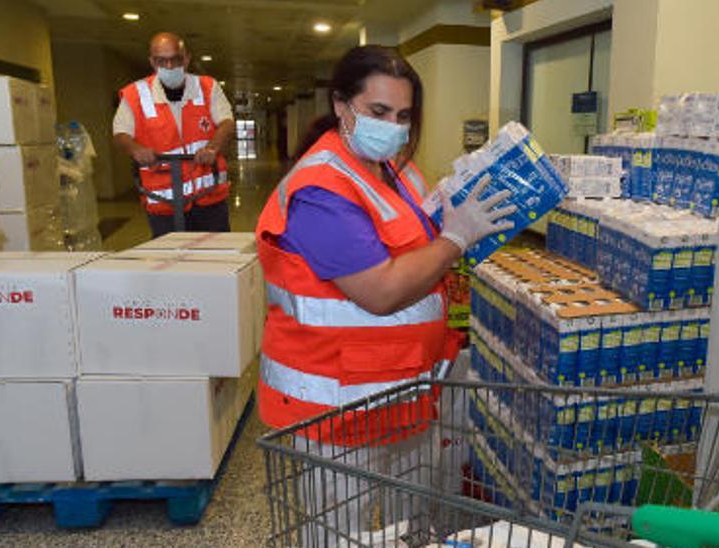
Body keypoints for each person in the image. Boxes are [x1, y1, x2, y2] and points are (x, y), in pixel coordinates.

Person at [254, 45, 515, 545]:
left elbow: (414, 242)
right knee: (335, 532)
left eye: (403, 115)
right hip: (337, 406)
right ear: (340, 104)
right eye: (378, 112)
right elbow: (381, 290)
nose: (393, 126)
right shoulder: (320, 190)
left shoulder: (395, 170)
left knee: (406, 527)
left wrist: (453, 208)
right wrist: (455, 239)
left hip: (401, 394)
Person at [113, 32, 235, 236]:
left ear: (186, 59)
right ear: (152, 62)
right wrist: (136, 150)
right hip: (164, 201)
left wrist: (212, 147)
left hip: (209, 196)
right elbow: (120, 134)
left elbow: (226, 123)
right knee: (170, 261)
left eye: (175, 60)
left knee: (215, 255)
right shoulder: (135, 95)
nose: (169, 67)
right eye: (162, 61)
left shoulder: (207, 87)